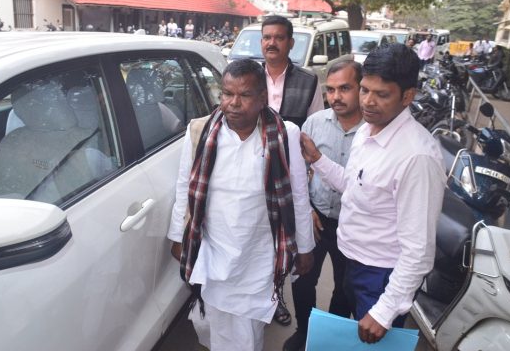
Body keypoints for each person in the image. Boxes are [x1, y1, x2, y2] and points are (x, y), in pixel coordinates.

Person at [300, 43, 445, 344]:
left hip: (380, 276)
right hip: (352, 261)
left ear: (407, 96)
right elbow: (355, 187)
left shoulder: (416, 157)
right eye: (365, 90)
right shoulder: (368, 130)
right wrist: (318, 159)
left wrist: (385, 310)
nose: (367, 101)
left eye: (382, 94)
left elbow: (419, 251)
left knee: (373, 342)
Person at [167, 58, 315, 351]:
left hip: (258, 254)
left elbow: (298, 195)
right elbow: (185, 187)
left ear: (262, 98)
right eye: (227, 93)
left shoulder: (285, 133)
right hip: (214, 249)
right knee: (211, 323)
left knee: (247, 332)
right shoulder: (200, 131)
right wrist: (177, 237)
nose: (233, 103)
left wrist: (305, 247)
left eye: (245, 95)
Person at [283, 61, 363, 351]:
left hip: (352, 224)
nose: (336, 97)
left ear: (362, 89)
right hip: (315, 218)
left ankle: (330, 338)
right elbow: (297, 172)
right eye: (330, 90)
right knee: (302, 279)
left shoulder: (373, 131)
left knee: (345, 287)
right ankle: (304, 332)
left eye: (345, 88)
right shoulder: (314, 123)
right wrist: (307, 210)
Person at [261, 15, 324, 128]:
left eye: (279, 38)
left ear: (291, 43)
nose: (272, 43)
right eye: (267, 38)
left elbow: (316, 125)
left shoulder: (308, 81)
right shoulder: (251, 78)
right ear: (261, 42)